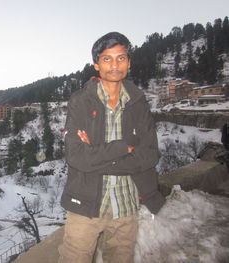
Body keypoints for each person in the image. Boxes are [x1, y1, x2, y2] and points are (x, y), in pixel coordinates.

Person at [59, 32, 165, 263]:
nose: (115, 65)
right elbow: (76, 156)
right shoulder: (80, 100)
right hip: (85, 203)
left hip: (127, 202)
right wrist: (124, 147)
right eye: (107, 59)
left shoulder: (138, 102)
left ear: (129, 62)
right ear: (96, 64)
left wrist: (97, 156)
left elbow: (149, 155)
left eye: (121, 58)